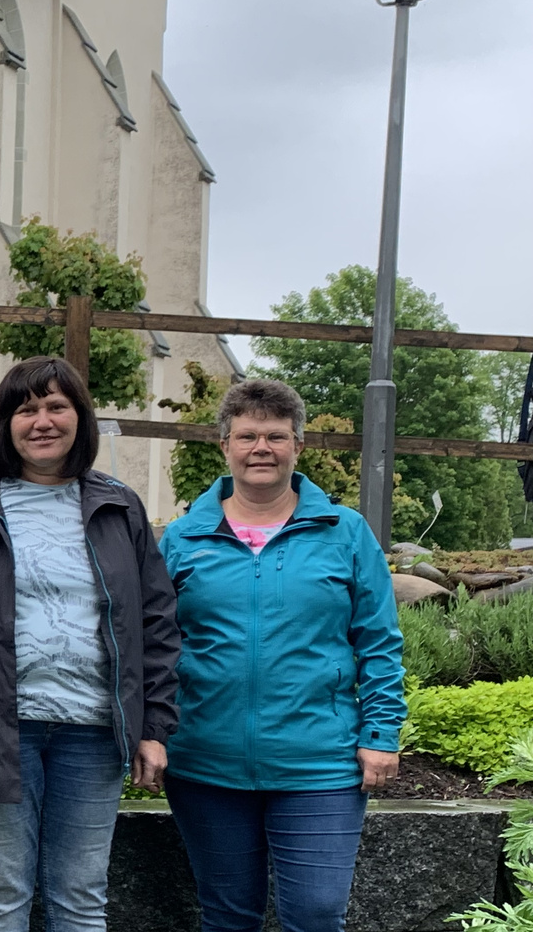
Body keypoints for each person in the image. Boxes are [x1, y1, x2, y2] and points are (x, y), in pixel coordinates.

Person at [0, 356, 180, 932]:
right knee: (0, 892)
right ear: (5, 423)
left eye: (56, 406)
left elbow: (156, 624)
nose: (42, 421)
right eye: (26, 409)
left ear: (80, 418)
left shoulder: (118, 508)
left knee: (81, 895)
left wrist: (154, 727)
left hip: (94, 734)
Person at [159, 379, 405, 932]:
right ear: (224, 446)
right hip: (205, 761)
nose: (261, 448)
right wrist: (153, 731)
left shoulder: (345, 533)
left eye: (276, 435)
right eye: (247, 436)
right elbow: (153, 647)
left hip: (320, 764)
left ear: (298, 445)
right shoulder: (181, 540)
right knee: (226, 917)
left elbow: (379, 643)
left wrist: (380, 735)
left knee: (317, 914)